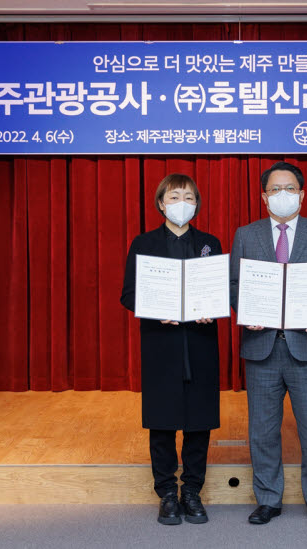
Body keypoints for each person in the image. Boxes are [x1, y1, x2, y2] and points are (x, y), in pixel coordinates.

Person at [229, 161, 307, 527]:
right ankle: (268, 499)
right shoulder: (246, 235)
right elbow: (234, 284)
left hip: (306, 346)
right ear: (263, 196)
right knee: (262, 429)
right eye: (275, 189)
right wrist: (246, 310)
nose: (283, 195)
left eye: (290, 189)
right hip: (262, 345)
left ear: (302, 194)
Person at [120, 174, 222, 526]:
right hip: (161, 343)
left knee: (200, 421)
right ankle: (166, 493)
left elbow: (218, 289)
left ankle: (192, 490)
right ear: (161, 203)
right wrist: (154, 309)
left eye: (189, 197)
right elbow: (129, 294)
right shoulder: (143, 243)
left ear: (197, 204)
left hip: (201, 341)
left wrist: (214, 305)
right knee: (162, 421)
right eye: (175, 196)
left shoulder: (210, 242)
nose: (182, 202)